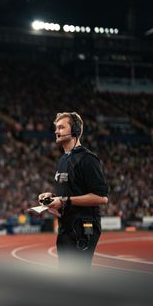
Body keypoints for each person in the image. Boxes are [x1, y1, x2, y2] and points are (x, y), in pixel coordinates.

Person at [38, 112, 109, 270]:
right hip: (66, 226)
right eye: (56, 128)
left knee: (77, 276)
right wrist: (52, 198)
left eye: (62, 127)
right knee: (66, 276)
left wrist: (65, 201)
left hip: (83, 227)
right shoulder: (63, 159)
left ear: (75, 130)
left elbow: (102, 197)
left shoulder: (88, 159)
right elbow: (69, 194)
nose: (57, 131)